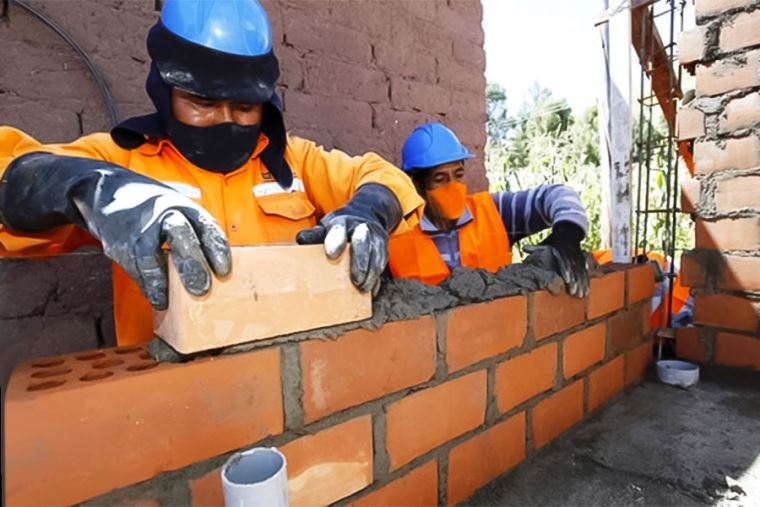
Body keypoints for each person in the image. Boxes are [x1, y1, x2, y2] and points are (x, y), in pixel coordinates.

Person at [0, 0, 423, 345]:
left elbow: (381, 178)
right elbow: (11, 175)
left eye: (244, 107)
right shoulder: (120, 161)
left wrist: (371, 210)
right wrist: (87, 190)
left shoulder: (295, 162)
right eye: (202, 102)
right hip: (175, 403)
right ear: (165, 92)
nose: (226, 119)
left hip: (291, 392)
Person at [388, 122, 590, 297]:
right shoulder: (395, 235)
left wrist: (567, 235)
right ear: (416, 185)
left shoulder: (495, 211)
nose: (453, 185)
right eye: (440, 179)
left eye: (459, 175)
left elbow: (559, 195)